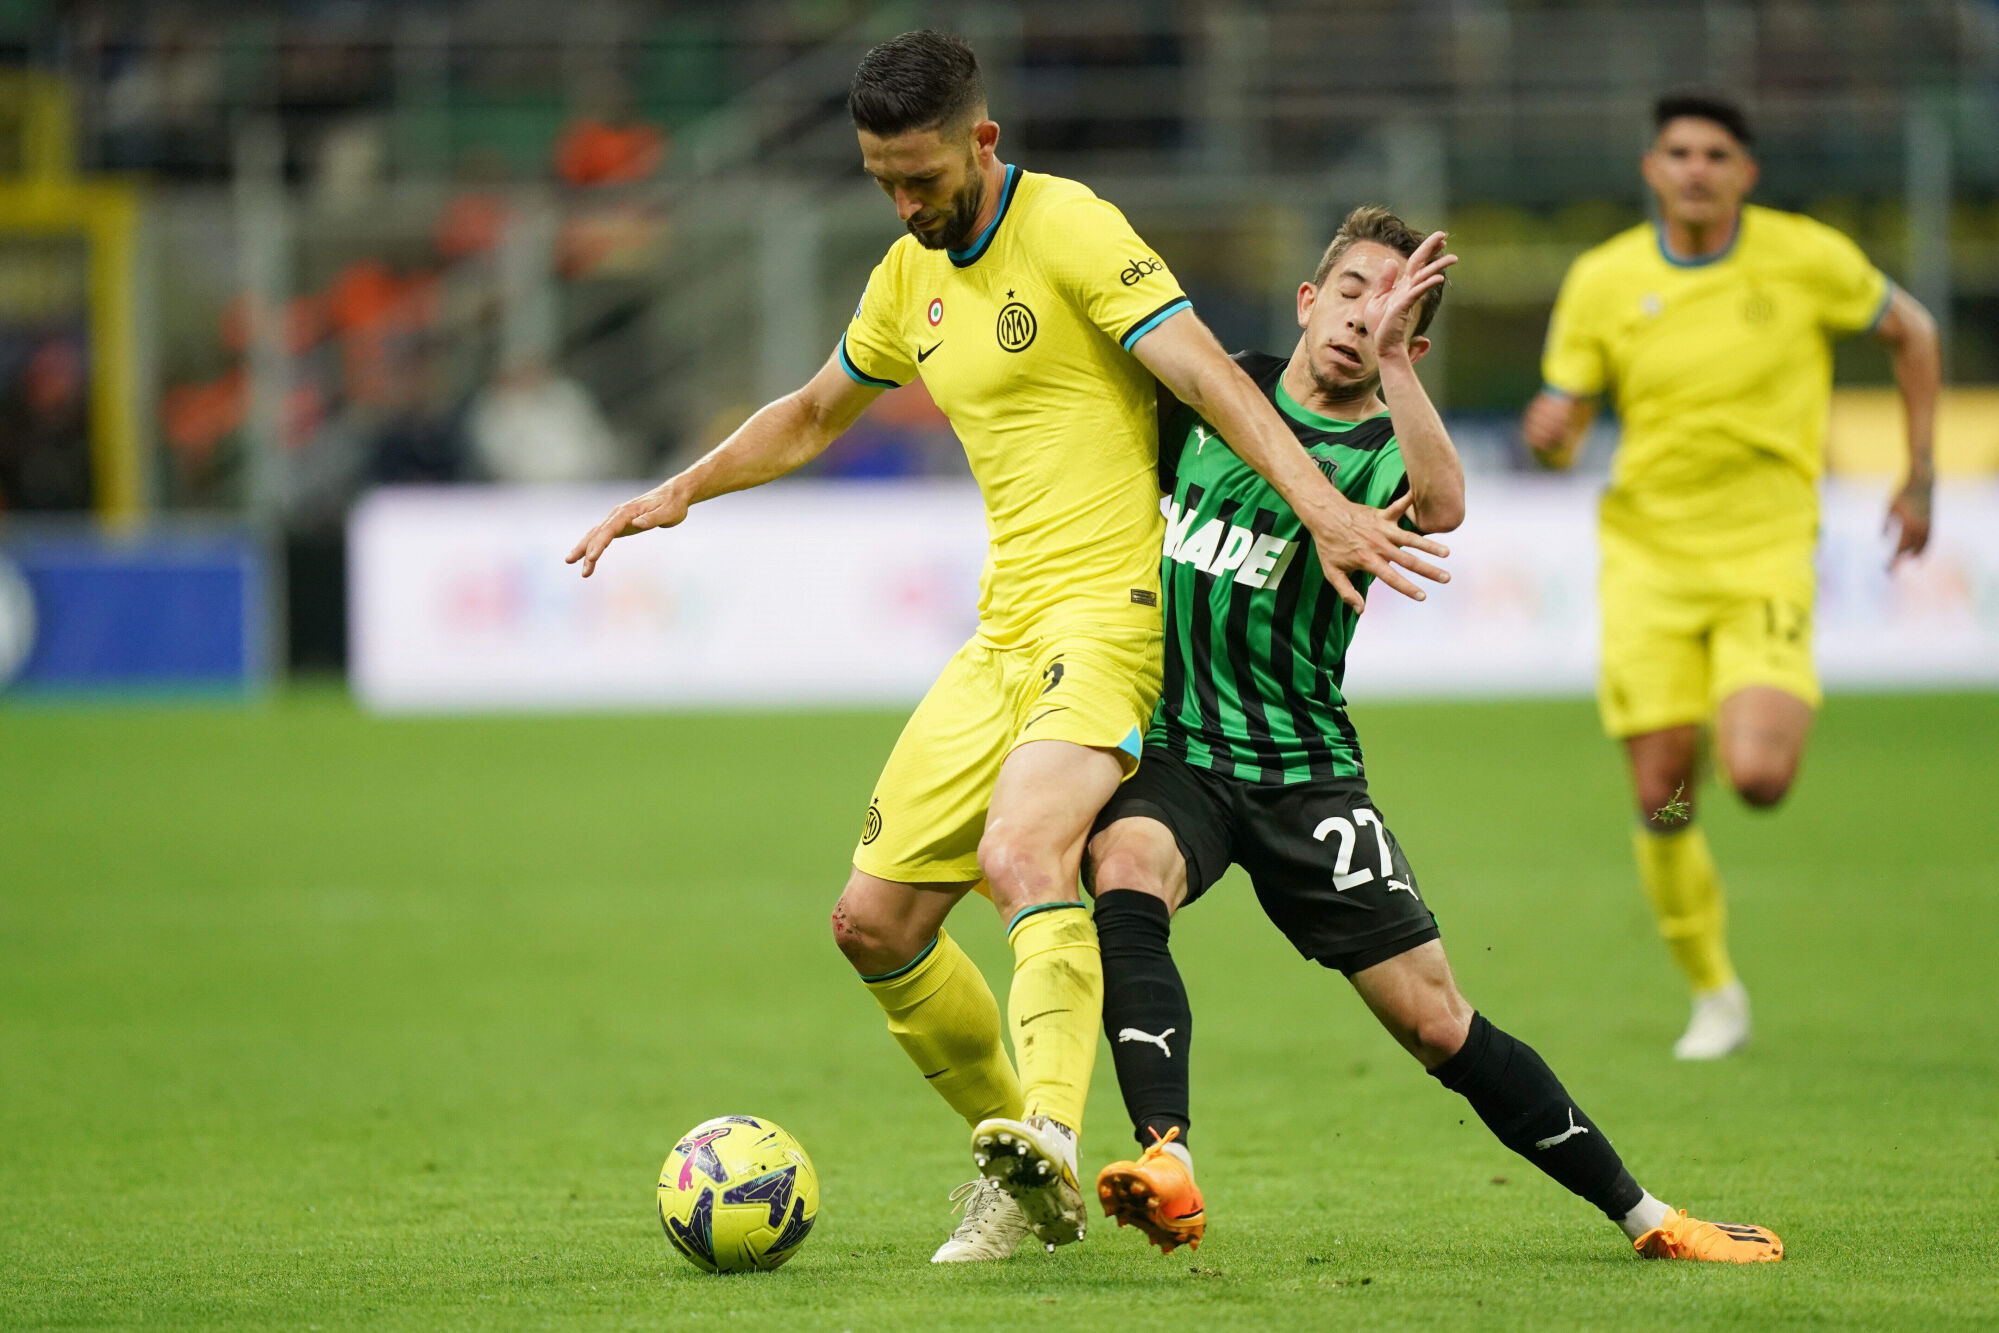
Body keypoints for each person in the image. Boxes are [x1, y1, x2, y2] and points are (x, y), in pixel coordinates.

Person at [565, 32, 1450, 1262]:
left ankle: (1050, 1131)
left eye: (921, 177)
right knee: (872, 924)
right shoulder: (905, 274)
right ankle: (1022, 1168)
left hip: (1109, 617)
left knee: (1023, 853)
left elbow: (1208, 378)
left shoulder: (1073, 229)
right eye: (882, 180)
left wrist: (1321, 505)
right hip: (1003, 635)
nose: (904, 203)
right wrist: (681, 488)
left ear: (981, 141)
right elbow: (814, 412)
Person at [1088, 205, 1784, 1265]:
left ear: (1410, 346)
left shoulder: (1382, 449)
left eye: (1394, 315)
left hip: (1304, 773)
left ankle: (1651, 1218)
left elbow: (1445, 502)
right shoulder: (1219, 393)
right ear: (1307, 301)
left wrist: (1397, 369)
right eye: (1351, 293)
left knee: (1436, 1022)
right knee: (1124, 867)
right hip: (1180, 747)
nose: (1362, 320)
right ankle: (1165, 1155)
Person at [1521, 93, 1941, 1059]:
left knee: (1756, 776)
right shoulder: (1603, 279)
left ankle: (1723, 723)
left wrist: (1918, 473)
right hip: (1647, 568)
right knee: (1664, 797)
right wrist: (1550, 437)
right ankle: (1714, 992)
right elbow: (1562, 425)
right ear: (1651, 169)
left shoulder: (1805, 258)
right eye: (1678, 152)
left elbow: (1912, 332)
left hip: (1762, 558)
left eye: (1715, 154)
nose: (1696, 169)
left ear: (1745, 173)